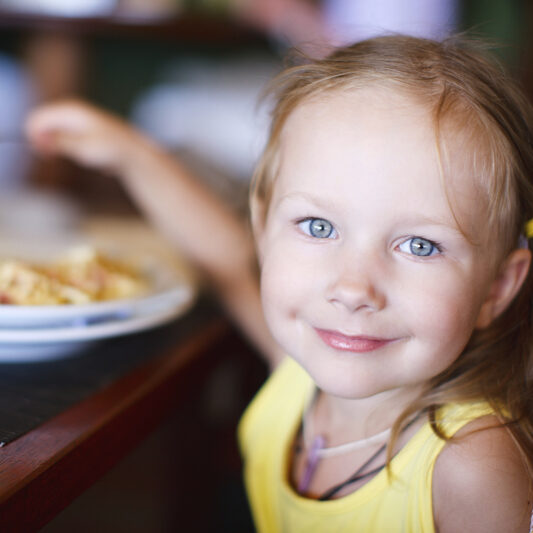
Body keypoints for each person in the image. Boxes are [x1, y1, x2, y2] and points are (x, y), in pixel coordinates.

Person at [26, 34, 533, 532]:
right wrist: (130, 154)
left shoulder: (473, 467)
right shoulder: (297, 375)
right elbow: (223, 258)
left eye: (420, 245)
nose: (354, 289)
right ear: (264, 230)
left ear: (497, 288)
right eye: (318, 226)